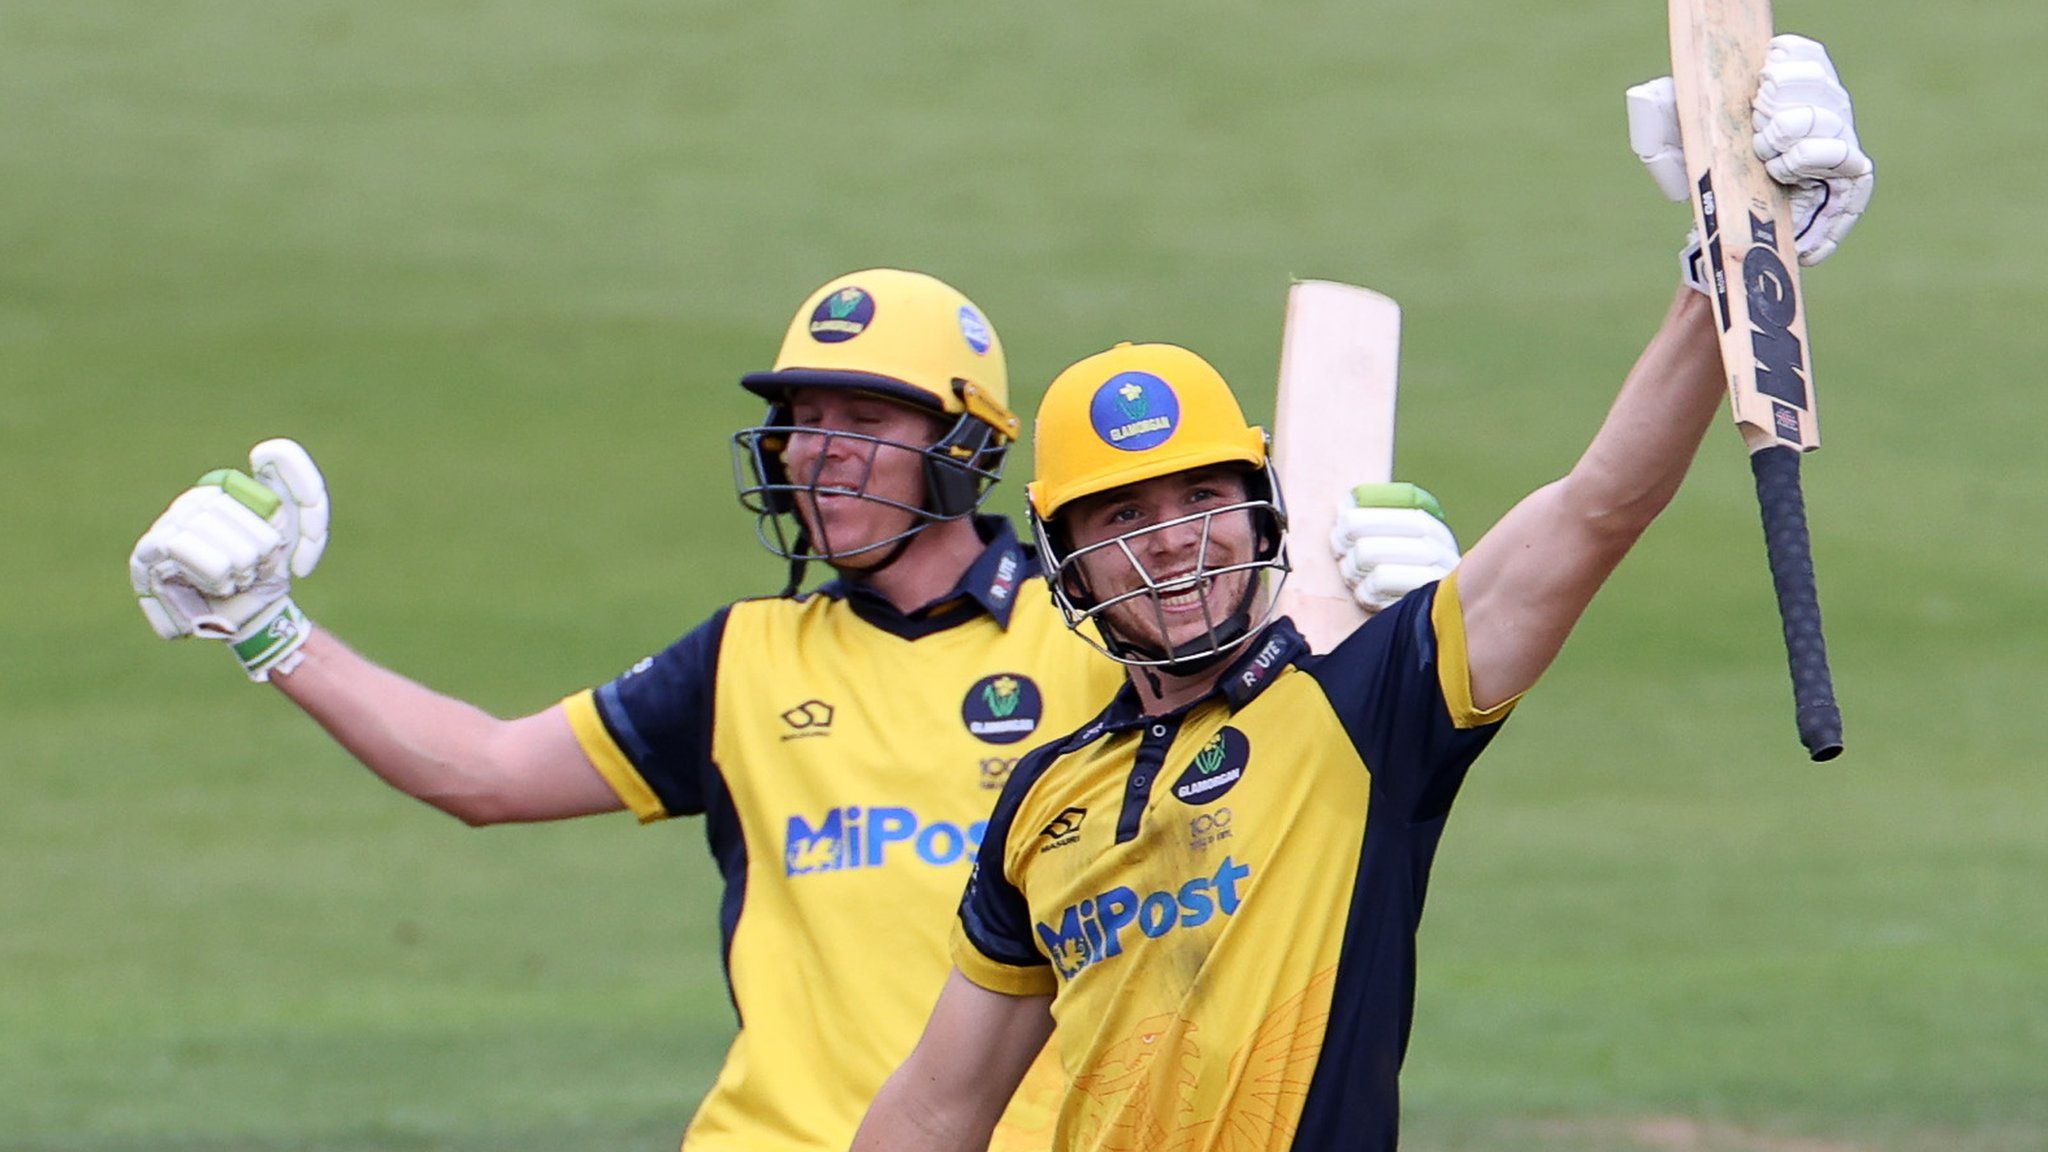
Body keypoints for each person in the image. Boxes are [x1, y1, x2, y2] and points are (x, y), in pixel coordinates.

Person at [127, 269, 1462, 1151]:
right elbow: (480, 770)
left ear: (966, 445)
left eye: (859, 421)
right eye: (801, 422)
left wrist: (1388, 593)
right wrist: (268, 632)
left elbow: (1300, 704)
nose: (817, 453)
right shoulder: (743, 660)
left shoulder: (1099, 636)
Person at [851, 35, 1874, 1151]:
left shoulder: (1369, 705)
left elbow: (1595, 508)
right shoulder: (1043, 802)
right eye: (1123, 521)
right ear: (1069, 563)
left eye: (1200, 500)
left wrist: (1723, 271)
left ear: (1256, 512)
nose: (1174, 546)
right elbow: (937, 1104)